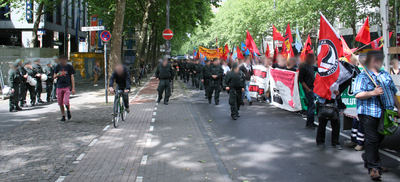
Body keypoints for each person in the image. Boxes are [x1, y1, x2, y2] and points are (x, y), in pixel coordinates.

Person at [353, 51, 400, 181]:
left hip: (385, 113)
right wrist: (372, 92)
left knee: (379, 138)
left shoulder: (385, 74)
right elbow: (357, 94)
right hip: (369, 112)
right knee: (372, 139)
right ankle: (374, 168)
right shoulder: (363, 76)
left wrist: (398, 107)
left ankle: (372, 162)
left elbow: (393, 92)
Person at [54, 55, 76, 121]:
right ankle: (63, 115)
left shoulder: (69, 67)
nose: (63, 61)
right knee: (60, 102)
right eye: (61, 59)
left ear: (66, 60)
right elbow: (54, 76)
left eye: (64, 59)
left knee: (66, 101)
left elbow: (72, 78)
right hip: (59, 86)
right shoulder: (57, 66)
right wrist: (58, 74)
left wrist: (73, 88)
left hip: (67, 86)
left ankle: (68, 110)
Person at [299, 54, 317, 128]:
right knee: (311, 106)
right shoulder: (303, 67)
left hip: (312, 88)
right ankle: (309, 123)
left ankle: (311, 122)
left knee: (312, 105)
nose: (315, 60)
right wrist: (308, 89)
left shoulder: (312, 66)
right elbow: (301, 80)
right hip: (308, 89)